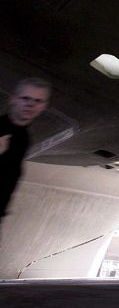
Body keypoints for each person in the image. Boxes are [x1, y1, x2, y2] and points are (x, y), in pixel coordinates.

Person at [0, 78, 51, 221]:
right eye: (25, 98)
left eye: (37, 101)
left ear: (43, 106)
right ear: (13, 100)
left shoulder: (24, 138)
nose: (30, 104)